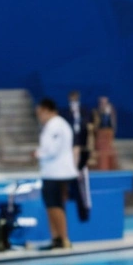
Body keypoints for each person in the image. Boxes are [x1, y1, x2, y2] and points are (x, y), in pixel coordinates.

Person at [35, 98, 77, 250]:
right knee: (52, 205)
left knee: (55, 205)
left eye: (39, 113)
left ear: (46, 110)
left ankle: (64, 239)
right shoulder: (56, 125)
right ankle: (56, 238)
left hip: (56, 173)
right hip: (52, 172)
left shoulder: (56, 126)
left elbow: (52, 150)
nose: (39, 117)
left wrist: (38, 154)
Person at [95, 95, 119, 170]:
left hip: (109, 132)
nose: (103, 103)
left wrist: (114, 130)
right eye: (102, 102)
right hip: (101, 133)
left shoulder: (111, 110)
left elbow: (113, 121)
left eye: (105, 102)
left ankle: (110, 166)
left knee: (109, 149)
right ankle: (102, 166)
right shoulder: (97, 111)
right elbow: (97, 123)